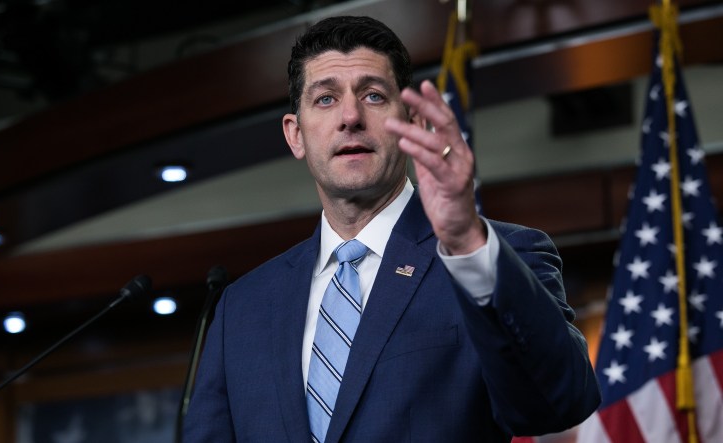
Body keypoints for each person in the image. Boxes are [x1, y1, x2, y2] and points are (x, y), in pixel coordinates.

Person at [183, 15, 601, 443]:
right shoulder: (242, 307)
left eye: (373, 95)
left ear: (412, 123)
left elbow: (558, 402)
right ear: (296, 135)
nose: (350, 116)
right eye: (325, 99)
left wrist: (466, 242)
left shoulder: (499, 254)